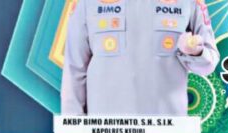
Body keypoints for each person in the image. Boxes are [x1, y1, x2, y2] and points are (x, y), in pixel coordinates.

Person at [62, 0, 219, 116]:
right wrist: (73, 131)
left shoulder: (191, 2)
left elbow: (209, 63)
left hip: (168, 130)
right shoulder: (86, 3)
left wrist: (195, 52)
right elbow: (74, 68)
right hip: (106, 131)